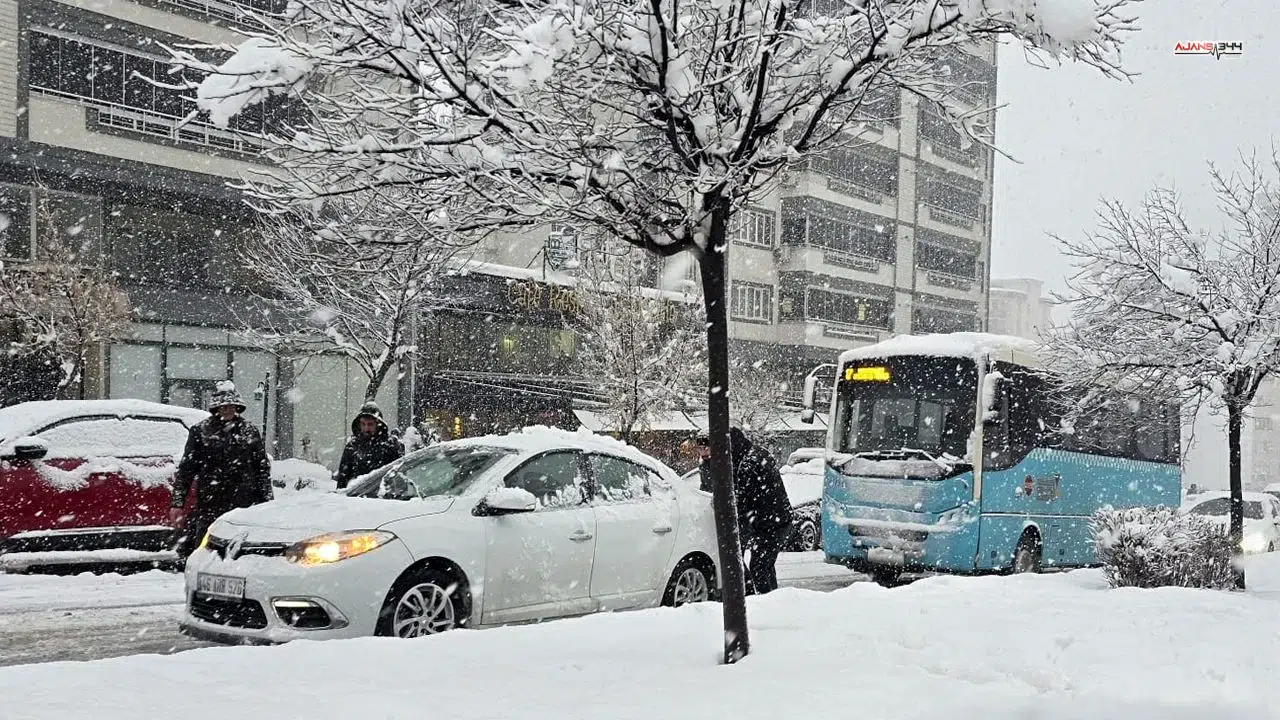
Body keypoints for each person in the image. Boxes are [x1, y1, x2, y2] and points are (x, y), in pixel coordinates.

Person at [169, 381, 273, 558]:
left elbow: (261, 468)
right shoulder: (201, 431)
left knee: (242, 549)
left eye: (230, 406)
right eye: (222, 407)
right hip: (211, 501)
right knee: (207, 548)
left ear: (237, 407)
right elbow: (187, 469)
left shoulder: (249, 431)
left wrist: (268, 502)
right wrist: (178, 502)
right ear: (216, 408)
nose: (227, 410)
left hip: (244, 502)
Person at [695, 427, 794, 595]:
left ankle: (766, 601)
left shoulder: (750, 462)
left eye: (710, 447)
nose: (705, 452)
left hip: (771, 522)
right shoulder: (738, 458)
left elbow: (744, 500)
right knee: (754, 564)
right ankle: (763, 597)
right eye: (701, 448)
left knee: (759, 565)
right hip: (766, 520)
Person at [335, 401, 405, 490]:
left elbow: (399, 475)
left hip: (384, 497)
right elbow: (343, 479)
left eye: (370, 424)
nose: (366, 428)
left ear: (378, 424)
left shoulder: (391, 445)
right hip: (357, 497)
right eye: (363, 424)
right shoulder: (352, 446)